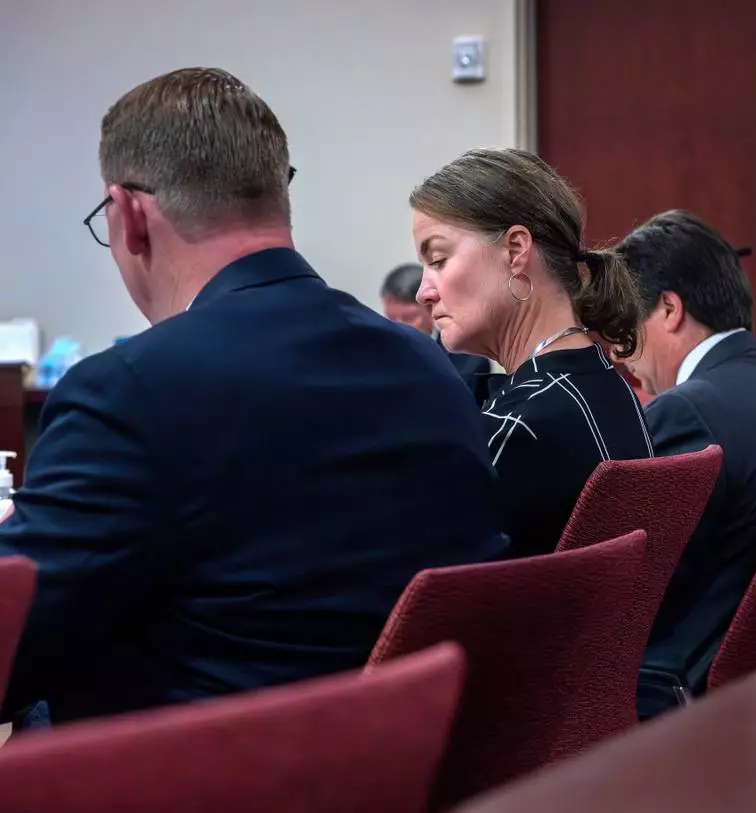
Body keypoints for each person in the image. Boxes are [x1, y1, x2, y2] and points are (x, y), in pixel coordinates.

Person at [0, 68, 507, 725]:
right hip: (402, 765)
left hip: (196, 772)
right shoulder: (431, 370)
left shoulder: (128, 392)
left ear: (129, 216)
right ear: (281, 193)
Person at [616, 210, 756, 708]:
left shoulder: (685, 411)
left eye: (626, 323)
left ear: (669, 309)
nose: (619, 348)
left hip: (688, 689)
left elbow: (632, 589)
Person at [410, 148, 654, 558]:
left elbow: (425, 586)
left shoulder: (518, 425)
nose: (423, 292)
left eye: (438, 259)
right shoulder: (608, 387)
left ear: (516, 250)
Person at [380, 262, 491, 388]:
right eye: (391, 318)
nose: (398, 326)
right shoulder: (376, 358)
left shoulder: (468, 363)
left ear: (432, 310)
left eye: (408, 318)